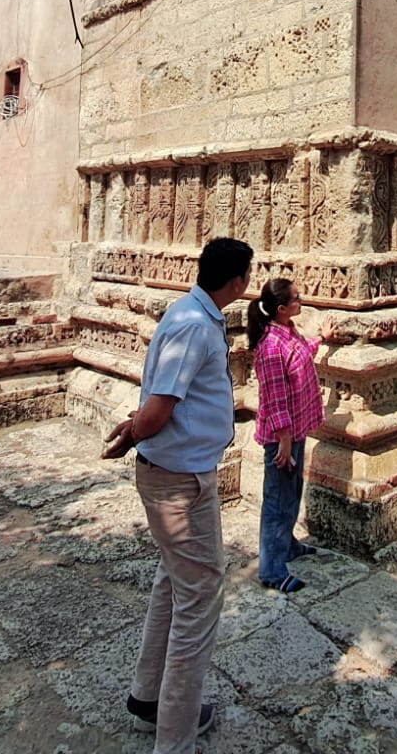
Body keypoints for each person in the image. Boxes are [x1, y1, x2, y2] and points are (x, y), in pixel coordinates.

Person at [100, 236, 252, 753]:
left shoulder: (196, 314)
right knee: (199, 600)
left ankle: (148, 698)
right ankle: (176, 739)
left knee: (174, 581)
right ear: (239, 282)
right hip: (178, 481)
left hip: (186, 472)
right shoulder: (192, 324)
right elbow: (160, 408)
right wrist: (135, 431)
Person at [247, 277, 325, 593]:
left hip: (296, 430)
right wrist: (283, 440)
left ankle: (288, 545)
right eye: (297, 298)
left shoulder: (287, 332)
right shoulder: (270, 346)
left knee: (292, 493)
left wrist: (323, 338)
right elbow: (275, 396)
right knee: (277, 501)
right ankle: (272, 570)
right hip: (282, 438)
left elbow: (303, 352)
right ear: (282, 309)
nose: (301, 300)